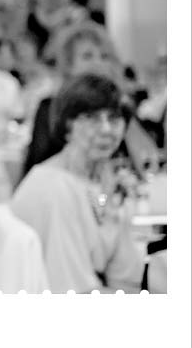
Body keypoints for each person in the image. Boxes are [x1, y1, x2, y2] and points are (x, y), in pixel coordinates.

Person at [11, 74, 144, 293]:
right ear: (67, 125)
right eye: (91, 118)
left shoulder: (105, 180)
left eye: (114, 118)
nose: (106, 130)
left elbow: (124, 278)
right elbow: (73, 293)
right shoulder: (53, 187)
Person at [22, 22, 159, 180]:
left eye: (104, 56)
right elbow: (41, 172)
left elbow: (148, 166)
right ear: (68, 66)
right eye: (88, 56)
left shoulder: (118, 110)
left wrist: (120, 105)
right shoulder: (51, 108)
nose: (98, 64)